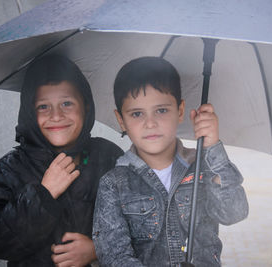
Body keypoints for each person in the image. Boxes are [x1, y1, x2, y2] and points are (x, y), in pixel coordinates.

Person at [92, 57, 248, 267]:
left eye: (161, 110)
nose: (150, 123)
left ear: (180, 111)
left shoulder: (203, 168)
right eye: (137, 114)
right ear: (121, 120)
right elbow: (114, 256)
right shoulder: (114, 184)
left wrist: (212, 147)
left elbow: (233, 212)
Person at [0, 55, 123, 267]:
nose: (56, 115)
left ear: (86, 106)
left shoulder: (108, 157)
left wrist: (99, 249)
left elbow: (141, 223)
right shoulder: (10, 169)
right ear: (29, 113)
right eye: (43, 106)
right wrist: (43, 194)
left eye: (67, 103)